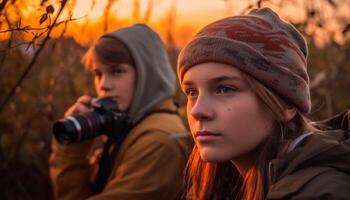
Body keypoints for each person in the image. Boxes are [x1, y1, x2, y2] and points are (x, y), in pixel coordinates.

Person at [177, 7, 350, 200]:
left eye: (225, 89)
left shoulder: (322, 193)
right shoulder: (224, 181)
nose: (197, 110)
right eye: (192, 92)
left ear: (286, 104)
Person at [49, 24, 192, 200]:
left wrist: (70, 155)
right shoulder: (131, 124)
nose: (103, 85)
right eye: (98, 74)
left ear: (147, 74)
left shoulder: (159, 141)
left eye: (117, 71)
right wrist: (74, 148)